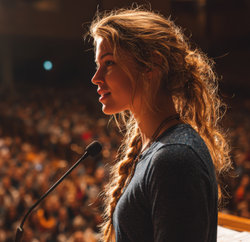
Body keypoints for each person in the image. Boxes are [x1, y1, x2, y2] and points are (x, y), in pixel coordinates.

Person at [88, 7, 232, 242]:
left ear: (150, 66)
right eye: (98, 64)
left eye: (109, 62)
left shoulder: (174, 158)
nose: (96, 77)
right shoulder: (158, 147)